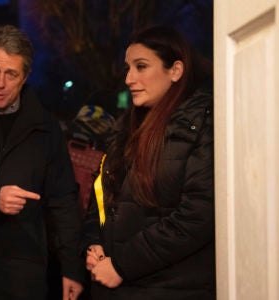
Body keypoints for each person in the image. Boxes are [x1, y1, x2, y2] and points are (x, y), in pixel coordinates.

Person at [0, 25, 85, 300]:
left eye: (11, 74)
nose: (0, 83)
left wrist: (72, 268)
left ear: (25, 77)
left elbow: (63, 203)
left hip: (23, 271)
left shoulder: (45, 127)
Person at [83, 25, 215, 299]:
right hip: (116, 284)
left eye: (141, 66)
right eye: (128, 68)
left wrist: (122, 264)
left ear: (175, 71)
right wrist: (93, 243)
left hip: (172, 288)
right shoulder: (126, 127)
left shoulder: (204, 123)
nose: (129, 78)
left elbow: (199, 214)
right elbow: (102, 197)